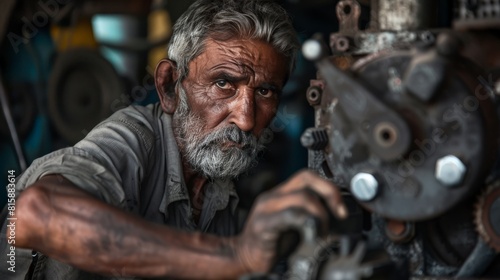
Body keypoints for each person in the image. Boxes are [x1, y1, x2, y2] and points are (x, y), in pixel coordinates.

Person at [0, 0, 347, 279]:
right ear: (168, 86)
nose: (245, 118)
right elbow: (32, 215)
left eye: (266, 91)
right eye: (223, 83)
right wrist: (236, 255)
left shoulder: (219, 190)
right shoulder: (135, 139)